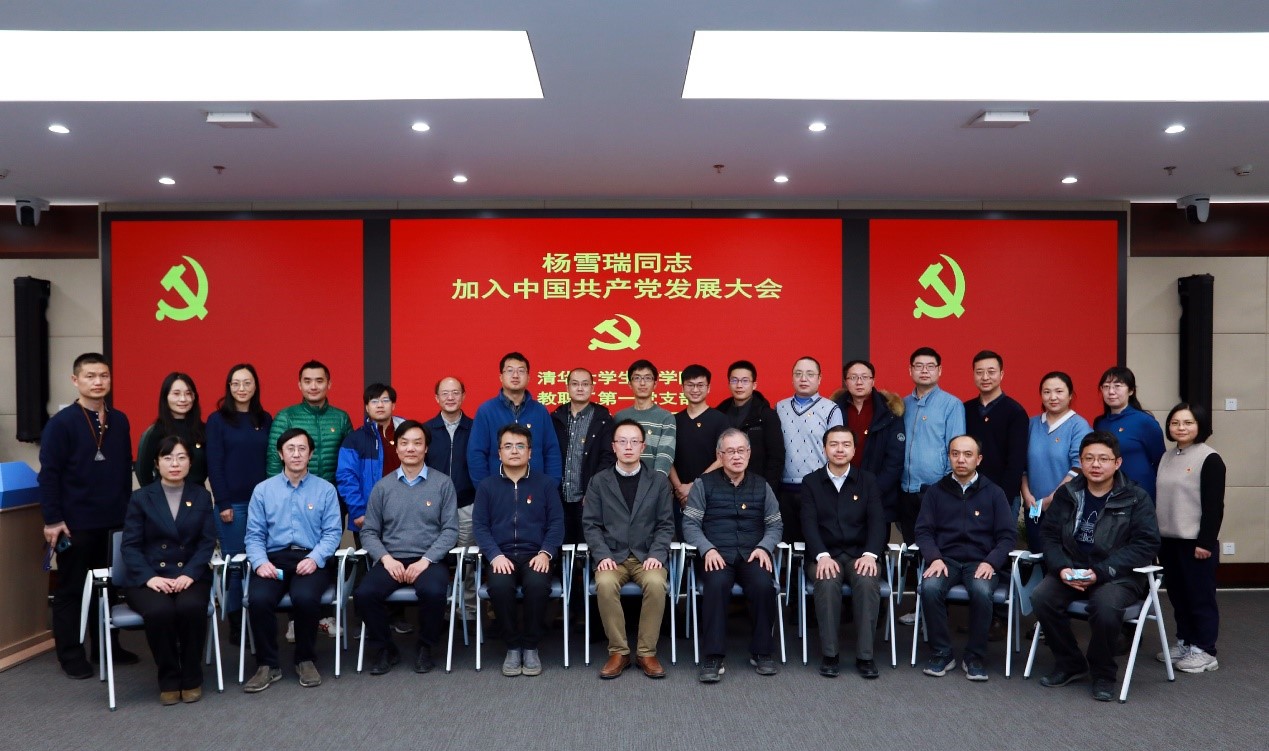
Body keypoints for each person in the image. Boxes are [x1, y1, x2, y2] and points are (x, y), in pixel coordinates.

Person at [1033, 431, 1161, 702]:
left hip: (1117, 575)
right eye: (1089, 458)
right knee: (1041, 598)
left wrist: (1101, 572)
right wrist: (1061, 568)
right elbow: (1049, 535)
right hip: (1073, 568)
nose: (1096, 464)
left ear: (1117, 462)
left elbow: (1146, 545)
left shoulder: (1136, 497)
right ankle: (1070, 662)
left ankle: (1103, 672)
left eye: (1103, 459)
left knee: (1105, 607)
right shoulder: (1068, 493)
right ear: (1081, 462)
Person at [38, 352, 138, 679]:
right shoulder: (61, 423)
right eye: (90, 376)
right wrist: (53, 519)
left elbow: (123, 470)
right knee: (71, 590)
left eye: (103, 376)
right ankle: (70, 654)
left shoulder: (119, 420)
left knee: (108, 589)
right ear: (75, 380)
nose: (98, 382)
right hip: (74, 524)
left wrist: (128, 515)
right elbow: (48, 475)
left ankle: (108, 647)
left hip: (114, 522)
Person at [118, 436, 217, 704]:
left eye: (181, 458)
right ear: (156, 463)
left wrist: (189, 574)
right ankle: (169, 677)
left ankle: (192, 676)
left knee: (190, 608)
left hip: (190, 575)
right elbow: (130, 546)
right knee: (159, 611)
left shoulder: (201, 496)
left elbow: (207, 543)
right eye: (168, 458)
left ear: (190, 463)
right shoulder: (141, 497)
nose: (175, 464)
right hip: (149, 578)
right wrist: (150, 578)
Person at [242, 428, 343, 693]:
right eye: (290, 449)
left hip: (309, 558)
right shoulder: (263, 490)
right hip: (273, 559)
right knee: (259, 599)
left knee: (305, 597)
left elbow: (332, 533)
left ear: (310, 454)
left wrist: (315, 558)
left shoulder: (325, 490)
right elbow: (254, 535)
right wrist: (260, 562)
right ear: (280, 454)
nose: (296, 454)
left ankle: (305, 659)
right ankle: (267, 665)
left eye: (302, 449)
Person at [356, 420, 459, 676]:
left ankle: (426, 646)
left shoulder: (443, 484)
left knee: (434, 592)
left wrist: (425, 560)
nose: (410, 448)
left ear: (426, 448)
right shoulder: (383, 487)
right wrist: (386, 559)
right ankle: (385, 648)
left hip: (428, 560)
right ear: (397, 448)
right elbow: (368, 531)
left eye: (417, 443)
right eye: (404, 443)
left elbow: (450, 530)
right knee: (364, 594)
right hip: (391, 558)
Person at [682, 428, 784, 683]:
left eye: (741, 451)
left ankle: (762, 652)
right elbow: (690, 524)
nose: (736, 456)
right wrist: (707, 548)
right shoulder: (703, 484)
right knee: (716, 585)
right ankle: (713, 656)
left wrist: (765, 547)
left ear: (749, 453)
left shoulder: (762, 486)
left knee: (763, 586)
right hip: (717, 553)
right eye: (730, 451)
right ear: (720, 455)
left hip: (753, 553)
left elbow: (775, 524)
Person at [914, 435, 1015, 681]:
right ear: (949, 457)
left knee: (981, 590)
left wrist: (991, 562)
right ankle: (942, 653)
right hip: (945, 559)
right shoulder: (935, 492)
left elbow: (1007, 536)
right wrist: (934, 558)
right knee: (930, 588)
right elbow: (923, 531)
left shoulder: (994, 492)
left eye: (968, 454)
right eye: (955, 454)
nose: (961, 459)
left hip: (981, 561)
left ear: (978, 459)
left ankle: (974, 656)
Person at [582, 419, 675, 679]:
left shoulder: (658, 481)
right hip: (613, 556)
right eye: (622, 441)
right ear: (613, 446)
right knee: (604, 583)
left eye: (634, 441)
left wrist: (657, 554)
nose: (628, 447)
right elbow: (591, 524)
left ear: (643, 446)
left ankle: (646, 652)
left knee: (656, 583)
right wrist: (602, 555)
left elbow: (666, 525)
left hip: (647, 556)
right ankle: (619, 652)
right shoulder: (599, 481)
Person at [472, 424, 564, 677]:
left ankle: (531, 646)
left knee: (537, 585)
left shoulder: (545, 484)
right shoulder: (487, 486)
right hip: (500, 555)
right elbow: (480, 526)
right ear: (499, 452)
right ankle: (513, 646)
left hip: (536, 554)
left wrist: (546, 552)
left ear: (530, 452)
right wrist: (494, 555)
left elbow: (557, 523)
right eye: (508, 446)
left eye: (520, 446)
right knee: (500, 587)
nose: (514, 451)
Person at [800, 426, 886, 679]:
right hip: (824, 555)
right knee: (826, 580)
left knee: (867, 581)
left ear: (854, 450)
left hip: (860, 554)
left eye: (846, 444)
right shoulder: (811, 482)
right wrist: (821, 555)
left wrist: (870, 554)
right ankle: (830, 654)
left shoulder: (868, 481)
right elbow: (808, 523)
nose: (840, 449)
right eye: (834, 444)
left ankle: (865, 656)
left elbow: (878, 522)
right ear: (824, 448)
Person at [1155, 403, 1225, 673]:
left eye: (1188, 422)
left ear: (1200, 425)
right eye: (1175, 423)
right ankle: (1185, 641)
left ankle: (1205, 650)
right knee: (1178, 595)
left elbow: (1213, 506)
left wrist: (1205, 542)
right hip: (1169, 539)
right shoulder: (1168, 456)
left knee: (1199, 597)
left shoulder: (1210, 458)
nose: (1180, 428)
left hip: (1195, 542)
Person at [205, 363, 273, 638]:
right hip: (232, 505)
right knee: (236, 565)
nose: (241, 388)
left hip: (262, 504)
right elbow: (214, 463)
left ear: (255, 386)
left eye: (247, 383)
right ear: (229, 387)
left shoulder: (264, 418)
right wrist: (223, 502)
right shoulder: (217, 420)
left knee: (260, 562)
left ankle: (256, 617)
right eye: (236, 383)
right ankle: (236, 623)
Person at [1021, 372, 1092, 556]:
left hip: (1067, 508)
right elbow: (1023, 465)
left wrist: (1052, 498)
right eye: (1047, 392)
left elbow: (1079, 467)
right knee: (1037, 556)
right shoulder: (1031, 424)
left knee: (1061, 559)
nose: (1053, 397)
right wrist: (1026, 494)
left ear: (1070, 395)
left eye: (1059, 391)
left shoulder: (1078, 426)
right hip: (1034, 507)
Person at [900, 347, 966, 546]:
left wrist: (947, 485)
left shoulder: (951, 404)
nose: (924, 371)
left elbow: (957, 449)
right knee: (910, 547)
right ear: (910, 370)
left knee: (935, 546)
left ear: (940, 370)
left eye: (930, 366)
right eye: (919, 366)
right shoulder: (902, 405)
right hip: (905, 489)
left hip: (936, 488)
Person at [775, 356, 843, 545]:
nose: (803, 378)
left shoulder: (831, 409)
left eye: (810, 374)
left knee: (816, 544)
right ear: (792, 378)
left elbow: (838, 451)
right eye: (798, 374)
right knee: (787, 546)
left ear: (819, 379)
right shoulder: (779, 407)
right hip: (784, 489)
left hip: (819, 489)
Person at [468, 352, 563, 486]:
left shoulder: (540, 411)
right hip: (497, 491)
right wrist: (485, 489)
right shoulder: (486, 410)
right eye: (510, 370)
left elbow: (552, 452)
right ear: (501, 377)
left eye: (521, 371)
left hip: (536, 490)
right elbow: (476, 454)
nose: (515, 375)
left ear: (528, 378)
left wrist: (550, 487)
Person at [424, 376, 477, 619]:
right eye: (445, 393)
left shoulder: (475, 428)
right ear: (436, 398)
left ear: (464, 396)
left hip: (467, 503)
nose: (450, 397)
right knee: (436, 557)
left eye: (455, 392)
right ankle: (439, 606)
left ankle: (468, 608)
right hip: (433, 507)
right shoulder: (426, 430)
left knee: (468, 559)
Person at [831, 359, 905, 525]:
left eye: (865, 377)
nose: (859, 382)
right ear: (846, 382)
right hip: (840, 494)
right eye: (853, 377)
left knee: (876, 540)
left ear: (873, 381)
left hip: (878, 496)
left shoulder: (889, 411)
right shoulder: (833, 409)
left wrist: (872, 491)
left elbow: (895, 460)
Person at [551, 367, 615, 544]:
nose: (580, 388)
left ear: (592, 388)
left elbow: (608, 458)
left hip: (589, 499)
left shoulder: (603, 419)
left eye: (585, 384)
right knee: (560, 549)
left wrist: (593, 490)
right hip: (559, 499)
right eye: (575, 384)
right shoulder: (556, 418)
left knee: (588, 549)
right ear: (567, 388)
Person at [962, 351, 1028, 519]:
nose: (985, 377)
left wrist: (1001, 498)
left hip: (1003, 497)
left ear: (1001, 374)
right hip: (969, 494)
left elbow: (1016, 462)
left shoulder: (1015, 412)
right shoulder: (965, 409)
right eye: (979, 372)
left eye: (991, 372)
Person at [266, 360, 353, 485]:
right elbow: (274, 460)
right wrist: (278, 490)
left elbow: (350, 461)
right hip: (295, 489)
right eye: (307, 381)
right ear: (300, 385)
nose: (313, 387)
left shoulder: (341, 418)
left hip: (333, 491)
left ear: (329, 384)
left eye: (319, 381)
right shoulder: (285, 416)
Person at [336, 383, 406, 536]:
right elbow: (346, 478)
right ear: (367, 407)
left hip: (405, 514)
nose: (380, 405)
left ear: (393, 405)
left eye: (385, 400)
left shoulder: (408, 435)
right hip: (368, 517)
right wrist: (358, 511)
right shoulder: (354, 440)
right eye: (374, 401)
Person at [670, 364, 729, 534]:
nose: (695, 389)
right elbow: (667, 457)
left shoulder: (720, 420)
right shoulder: (674, 420)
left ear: (708, 388)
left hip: (712, 495)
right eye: (690, 385)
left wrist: (694, 487)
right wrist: (680, 489)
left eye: (700, 385)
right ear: (682, 388)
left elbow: (723, 458)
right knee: (681, 544)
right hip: (680, 498)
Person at [1092, 366, 1165, 501]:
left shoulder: (1145, 421)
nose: (1111, 391)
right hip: (1107, 493)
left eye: (1117, 386)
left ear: (1131, 390)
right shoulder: (1100, 423)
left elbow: (1160, 461)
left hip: (1139, 494)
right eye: (1106, 387)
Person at [715, 359, 785, 492]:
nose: (739, 385)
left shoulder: (767, 415)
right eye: (734, 380)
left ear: (754, 385)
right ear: (729, 384)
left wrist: (767, 490)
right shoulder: (719, 414)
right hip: (722, 488)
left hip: (756, 488)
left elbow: (776, 458)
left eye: (745, 381)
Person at [136, 372, 208, 487]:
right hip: (164, 495)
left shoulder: (204, 430)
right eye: (176, 394)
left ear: (194, 397)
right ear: (165, 397)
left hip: (198, 495)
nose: (183, 399)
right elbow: (143, 473)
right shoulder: (154, 432)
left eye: (188, 393)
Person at [614, 359, 676, 477]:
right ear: (629, 384)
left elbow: (665, 456)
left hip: (654, 483)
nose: (642, 383)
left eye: (648, 378)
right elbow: (614, 453)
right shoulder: (619, 417)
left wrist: (656, 483)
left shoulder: (666, 418)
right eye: (637, 378)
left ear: (655, 384)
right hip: (622, 482)